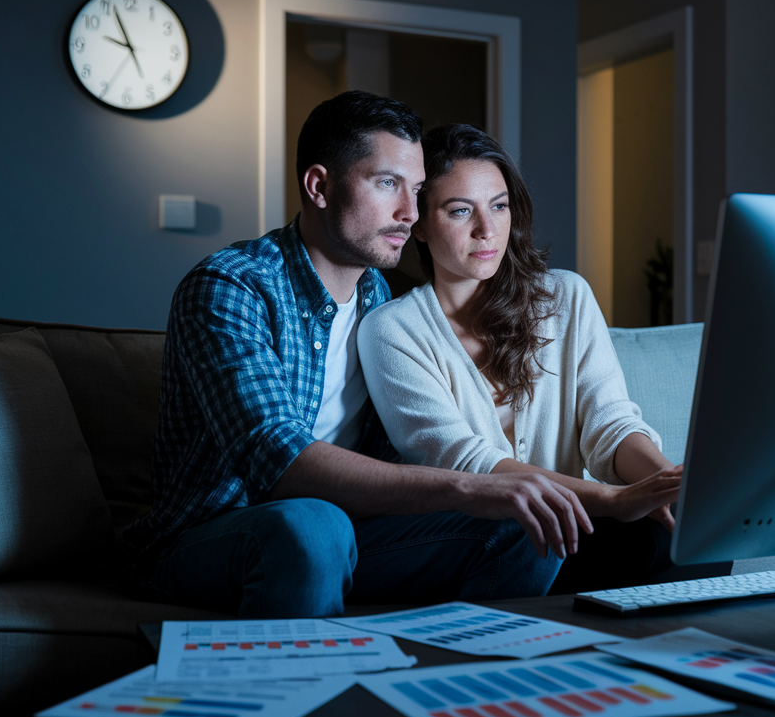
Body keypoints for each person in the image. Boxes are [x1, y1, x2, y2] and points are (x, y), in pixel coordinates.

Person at [122, 92, 603, 619]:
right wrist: (471, 486)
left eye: (417, 190)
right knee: (312, 523)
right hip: (212, 536)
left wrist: (510, 486)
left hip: (348, 533)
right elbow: (279, 462)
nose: (409, 212)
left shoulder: (381, 300)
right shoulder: (230, 287)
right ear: (319, 186)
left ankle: (456, 681)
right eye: (387, 184)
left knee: (523, 520)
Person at [358, 123, 693, 593]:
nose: (486, 229)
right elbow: (464, 462)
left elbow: (611, 424)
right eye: (460, 211)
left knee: (688, 535)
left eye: (499, 206)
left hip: (577, 534)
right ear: (420, 223)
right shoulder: (391, 330)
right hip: (482, 545)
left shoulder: (566, 296)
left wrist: (668, 485)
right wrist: (613, 500)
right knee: (520, 529)